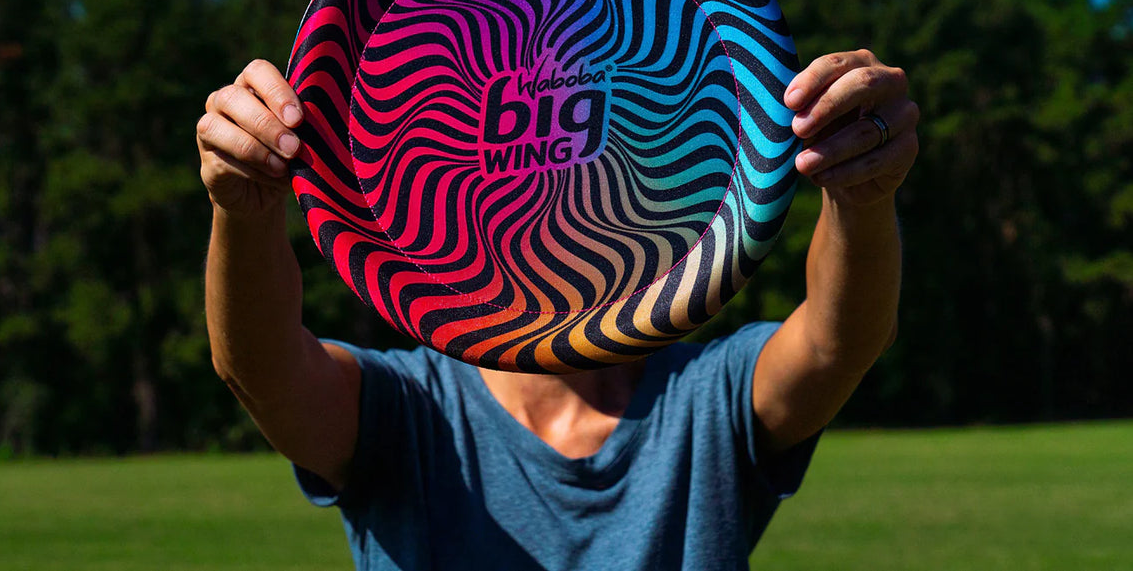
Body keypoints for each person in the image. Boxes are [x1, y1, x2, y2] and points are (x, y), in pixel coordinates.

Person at [196, 49, 920, 570]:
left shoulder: (709, 397)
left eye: (599, 185)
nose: (564, 216)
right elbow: (259, 368)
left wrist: (863, 197)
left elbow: (839, 337)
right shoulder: (407, 409)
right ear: (475, 207)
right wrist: (243, 210)